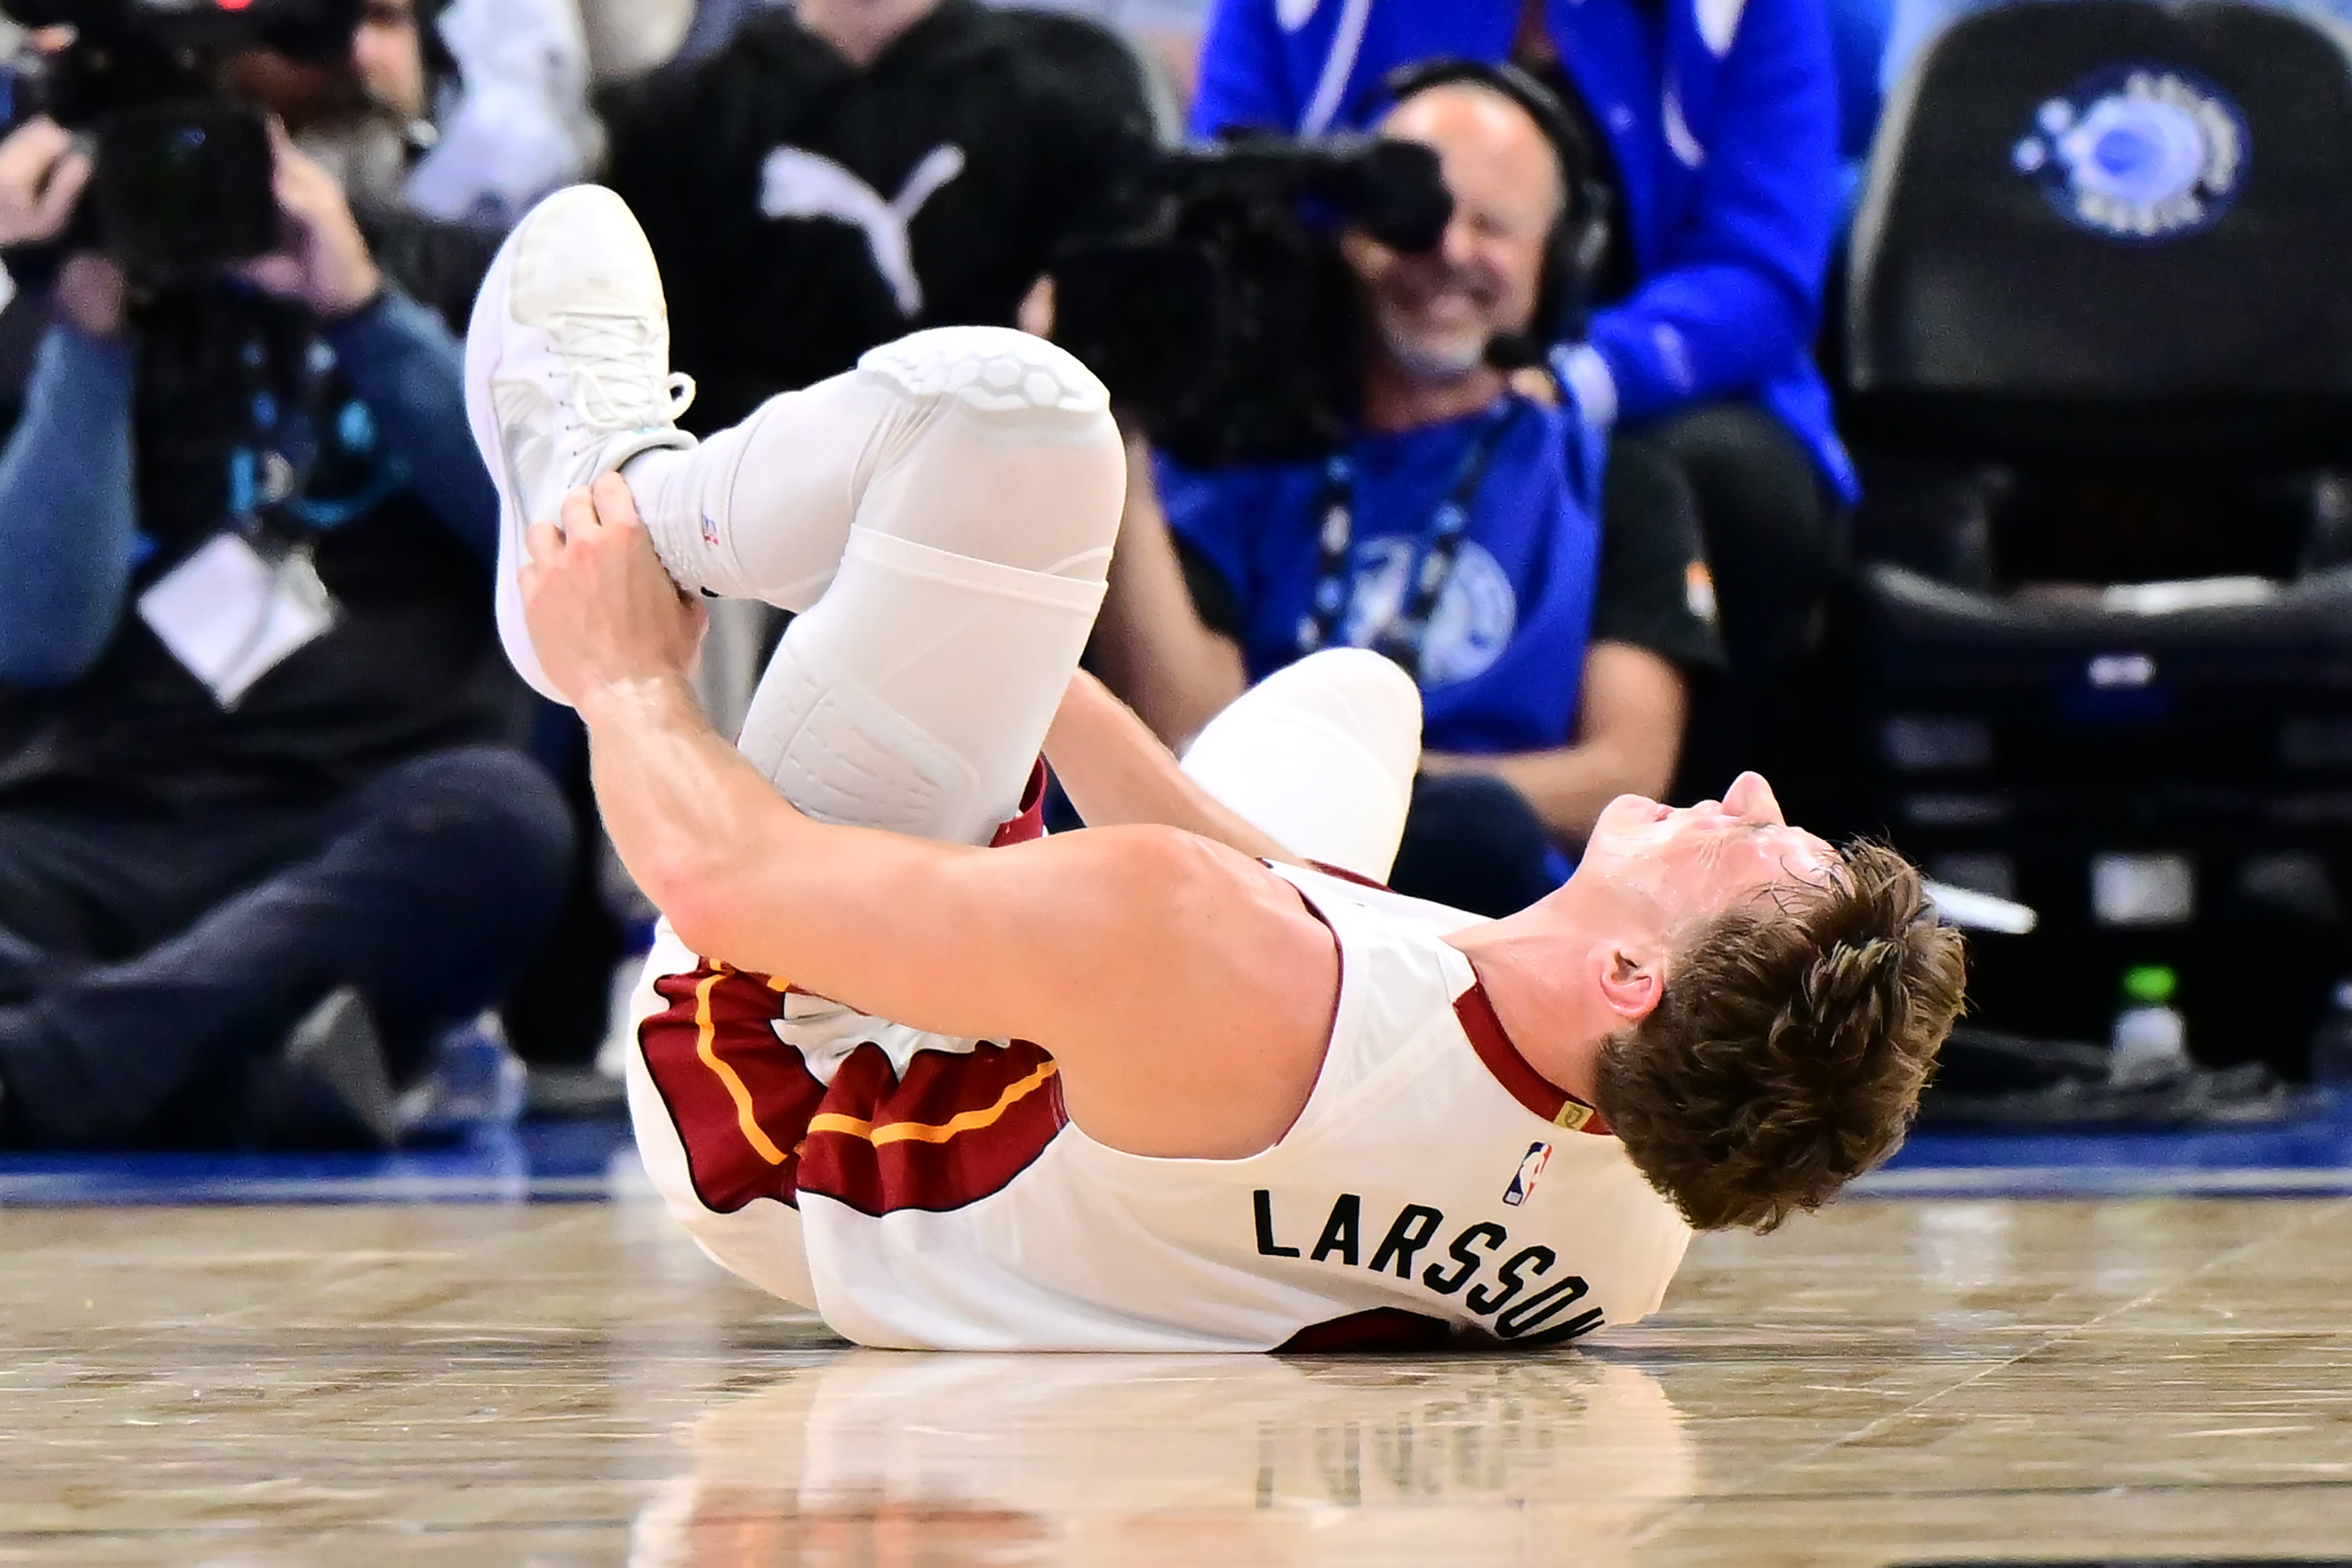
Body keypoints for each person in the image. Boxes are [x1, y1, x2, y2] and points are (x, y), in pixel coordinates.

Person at [468, 185, 1964, 1351]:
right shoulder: (1636, 1219)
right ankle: (921, 596)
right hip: (1167, 1099)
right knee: (1362, 698)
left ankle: (606, 505)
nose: (1755, 796)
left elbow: (726, 882)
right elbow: (1312, 928)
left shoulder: (1198, 946)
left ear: (1639, 974)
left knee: (1018, 418)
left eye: (1761, 855)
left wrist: (619, 672)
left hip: (774, 1095)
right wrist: (988, 633)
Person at [0, 62, 572, 1146]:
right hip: (109, 817)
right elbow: (34, 638)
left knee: (502, 823)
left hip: (363, 812)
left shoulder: (445, 278)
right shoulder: (48, 307)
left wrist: (361, 312)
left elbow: (543, 543)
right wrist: (88, 337)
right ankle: (244, 1086)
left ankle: (50, 1068)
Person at [1091, 68, 1724, 916]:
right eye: (1415, 216)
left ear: (1559, 261)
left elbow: (1623, 775)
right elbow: (1185, 726)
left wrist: (1374, 792)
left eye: (1493, 226)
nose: (1451, 251)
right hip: (1253, 893)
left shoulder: (1619, 484)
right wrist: (1121, 443)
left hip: (1491, 921)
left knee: (1482, 830)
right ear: (1350, 237)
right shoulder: (1243, 461)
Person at [1189, 0, 1853, 791]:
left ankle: (1715, 864)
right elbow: (1223, 198)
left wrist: (1578, 380)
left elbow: (1764, 270)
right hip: (1348, 361)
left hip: (1652, 395)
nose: (1455, 245)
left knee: (1739, 488)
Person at [593, 0, 1160, 435]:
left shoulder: (1071, 91)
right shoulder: (684, 122)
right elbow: (663, 386)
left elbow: (1117, 366)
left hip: (1011, 508)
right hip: (759, 527)